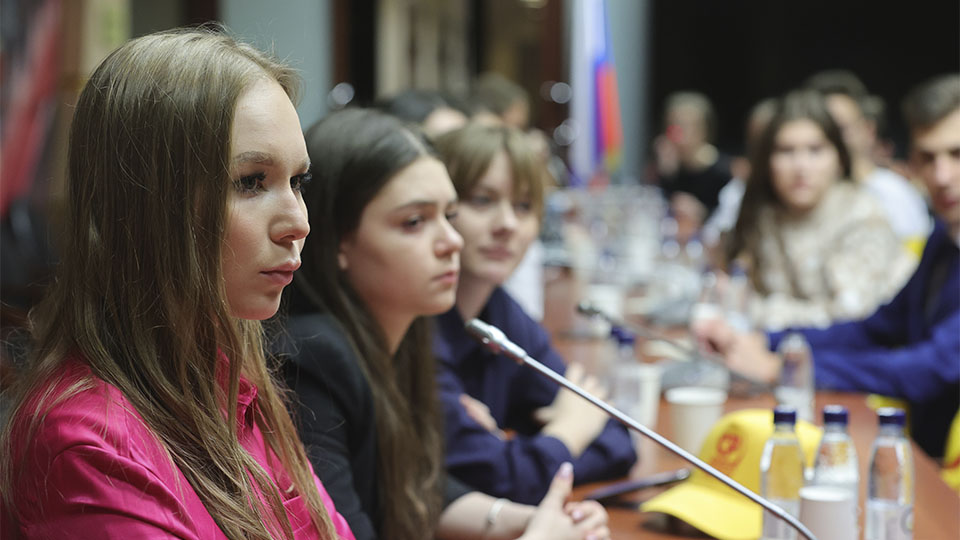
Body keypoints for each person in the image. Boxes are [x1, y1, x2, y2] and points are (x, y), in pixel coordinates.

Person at [0, 28, 353, 539]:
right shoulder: (87, 440)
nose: (298, 222)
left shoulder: (231, 382)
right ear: (149, 204)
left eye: (297, 182)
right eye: (251, 182)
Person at [278, 108, 610, 540]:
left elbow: (416, 485)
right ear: (338, 240)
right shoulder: (313, 355)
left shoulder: (407, 330)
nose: (452, 241)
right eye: (415, 222)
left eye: (449, 216)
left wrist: (514, 519)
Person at [699, 74, 960, 459]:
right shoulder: (944, 238)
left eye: (956, 154)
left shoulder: (872, 216)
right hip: (913, 446)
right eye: (928, 157)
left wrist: (781, 368)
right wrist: (770, 341)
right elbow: (875, 327)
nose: (941, 176)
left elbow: (927, 370)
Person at [431, 123, 637, 505]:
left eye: (524, 206)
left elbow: (616, 440)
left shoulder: (502, 313)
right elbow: (499, 478)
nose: (507, 224)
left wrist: (528, 456)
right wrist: (566, 435)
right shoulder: (416, 325)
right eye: (482, 200)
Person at [726, 90, 914, 331]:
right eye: (785, 151)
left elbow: (852, 317)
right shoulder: (765, 215)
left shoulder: (861, 215)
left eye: (815, 150)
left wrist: (760, 312)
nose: (800, 166)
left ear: (839, 159)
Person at [805, 69, 931, 247]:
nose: (830, 141)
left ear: (868, 130)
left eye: (840, 129)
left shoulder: (891, 193)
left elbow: (915, 258)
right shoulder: (807, 195)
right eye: (822, 130)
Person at [653, 91, 735, 237]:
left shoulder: (723, 170)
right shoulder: (667, 165)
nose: (678, 133)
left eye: (686, 126)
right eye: (673, 126)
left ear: (704, 130)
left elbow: (730, 217)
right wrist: (666, 174)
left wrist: (703, 213)